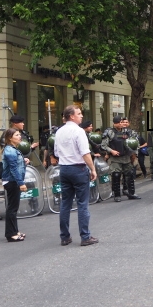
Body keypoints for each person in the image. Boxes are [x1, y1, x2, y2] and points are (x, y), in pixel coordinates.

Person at [54, 105, 98, 246]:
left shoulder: (59, 131)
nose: (81, 116)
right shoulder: (79, 131)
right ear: (72, 116)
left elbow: (56, 152)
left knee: (65, 203)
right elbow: (85, 153)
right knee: (82, 204)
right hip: (78, 168)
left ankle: (64, 236)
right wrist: (92, 169)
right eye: (79, 113)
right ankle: (85, 236)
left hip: (64, 168)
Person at [1, 128, 30, 242]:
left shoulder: (12, 149)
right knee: (12, 209)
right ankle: (11, 234)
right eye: (17, 135)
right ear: (10, 138)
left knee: (13, 208)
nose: (19, 137)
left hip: (13, 180)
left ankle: (15, 231)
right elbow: (13, 168)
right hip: (11, 181)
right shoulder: (10, 150)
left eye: (19, 134)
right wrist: (21, 183)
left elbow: (15, 165)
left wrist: (23, 161)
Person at [101, 116, 139, 202]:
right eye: (119, 122)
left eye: (122, 122)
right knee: (116, 175)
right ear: (114, 123)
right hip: (116, 158)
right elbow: (103, 145)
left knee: (130, 175)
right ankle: (117, 195)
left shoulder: (128, 132)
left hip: (126, 157)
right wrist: (111, 151)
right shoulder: (110, 132)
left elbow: (134, 142)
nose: (121, 124)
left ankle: (131, 193)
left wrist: (134, 153)